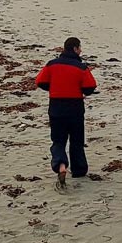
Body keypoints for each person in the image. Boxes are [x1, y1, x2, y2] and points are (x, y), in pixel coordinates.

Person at [35, 37, 97, 187]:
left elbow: (40, 82)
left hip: (56, 107)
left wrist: (54, 88)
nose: (81, 50)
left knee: (58, 140)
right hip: (75, 107)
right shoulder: (81, 67)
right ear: (75, 49)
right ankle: (79, 170)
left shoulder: (52, 64)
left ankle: (61, 166)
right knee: (76, 141)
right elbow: (90, 87)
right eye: (80, 48)